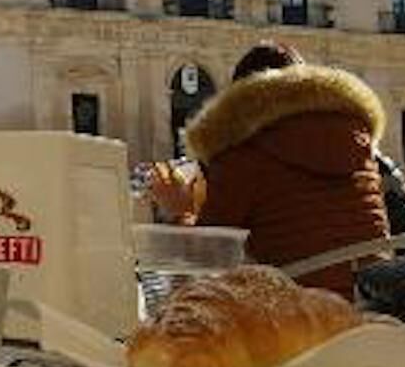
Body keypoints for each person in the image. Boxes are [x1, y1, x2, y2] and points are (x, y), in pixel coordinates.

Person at [149, 41, 389, 298]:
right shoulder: (357, 141)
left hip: (298, 307)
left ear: (237, 98)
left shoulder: (242, 155)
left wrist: (181, 211)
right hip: (374, 298)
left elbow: (206, 261)